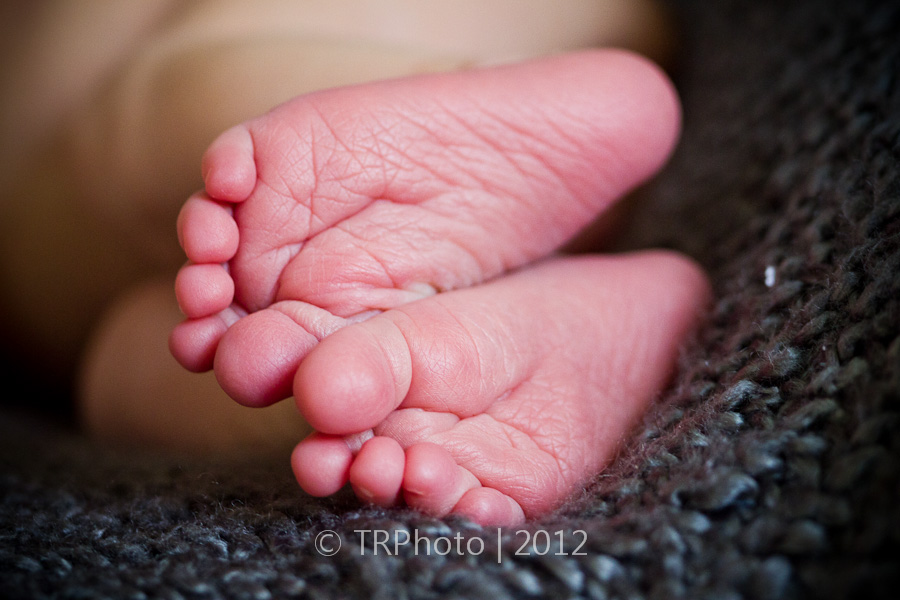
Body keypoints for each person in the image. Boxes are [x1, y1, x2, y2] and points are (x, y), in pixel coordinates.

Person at [0, 0, 708, 525]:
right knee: (122, 370)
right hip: (561, 29)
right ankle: (435, 358)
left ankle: (414, 191)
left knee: (142, 137)